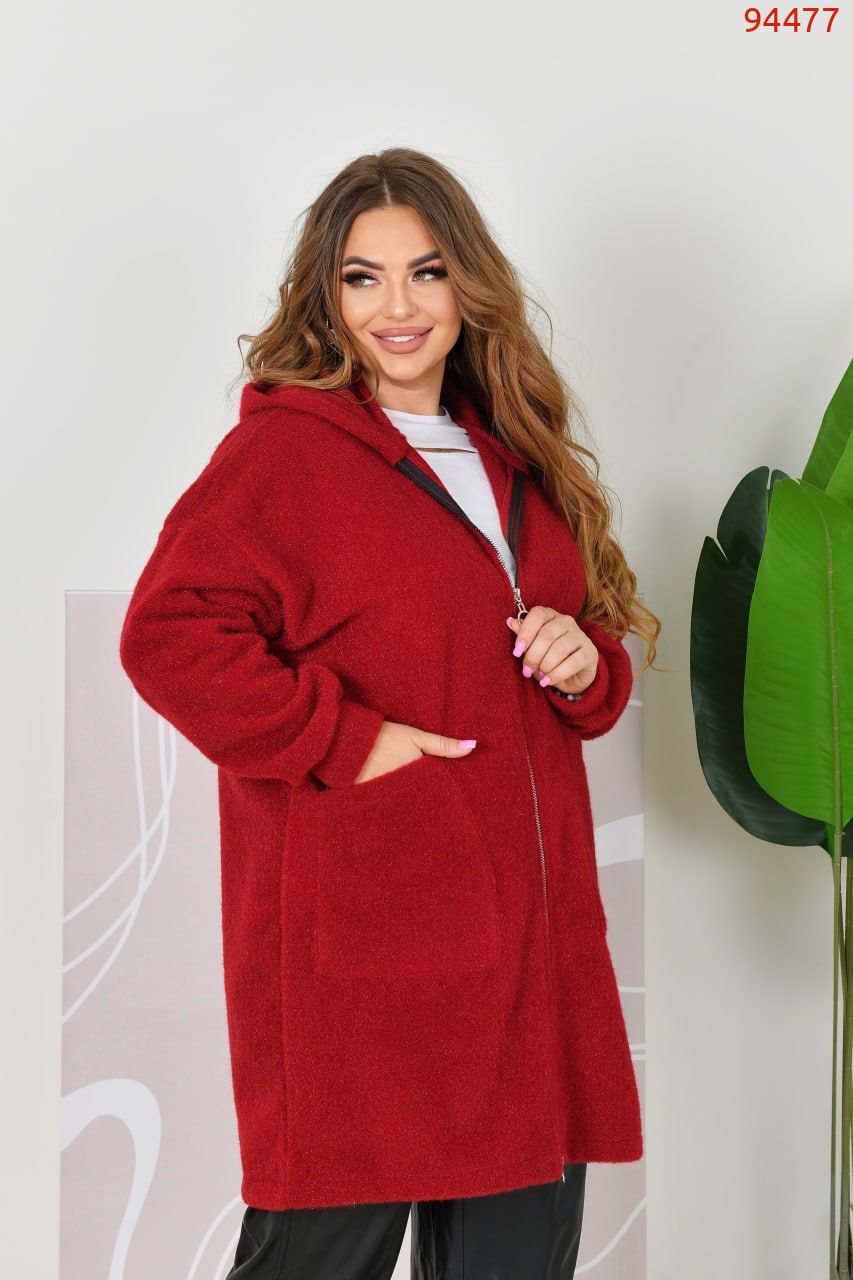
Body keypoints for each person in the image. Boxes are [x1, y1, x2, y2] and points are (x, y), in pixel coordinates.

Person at [119, 146, 661, 1279]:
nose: (397, 307)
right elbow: (168, 634)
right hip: (367, 960)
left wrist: (585, 661)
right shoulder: (284, 454)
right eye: (361, 277)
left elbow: (577, 645)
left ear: (467, 283)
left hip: (530, 957)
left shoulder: (511, 453)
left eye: (425, 271)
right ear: (326, 296)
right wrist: (346, 740)